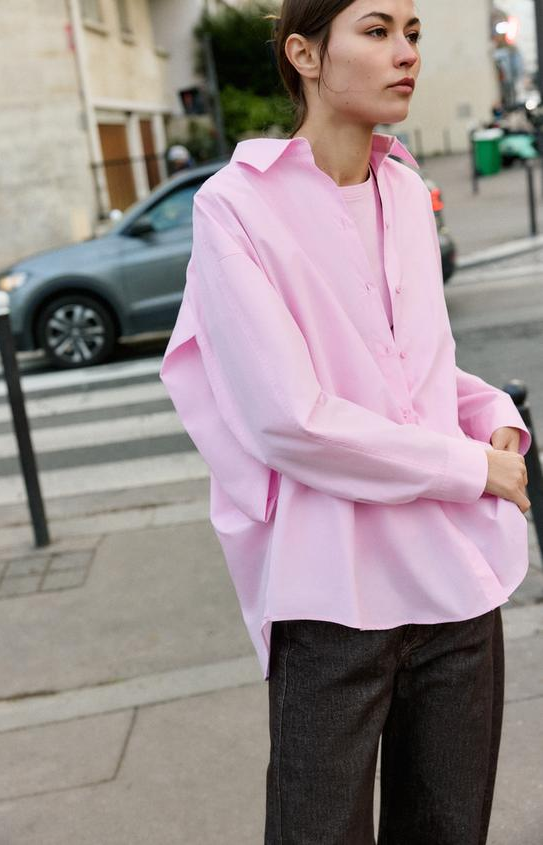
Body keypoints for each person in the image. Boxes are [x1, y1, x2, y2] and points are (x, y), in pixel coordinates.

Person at [159, 1, 531, 842]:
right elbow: (289, 419)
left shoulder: (403, 188)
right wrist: (470, 468)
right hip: (332, 593)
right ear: (304, 54)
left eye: (412, 33)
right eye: (376, 31)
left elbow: (409, 365)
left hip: (454, 590)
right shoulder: (236, 206)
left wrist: (490, 415)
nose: (405, 53)